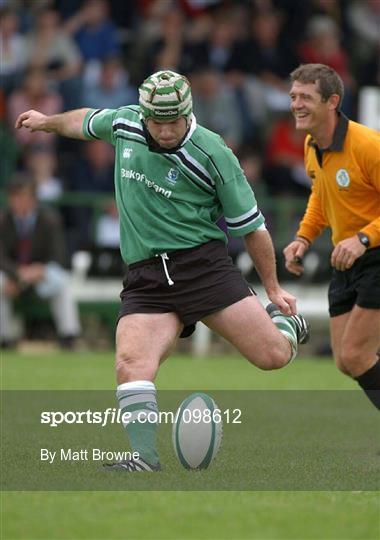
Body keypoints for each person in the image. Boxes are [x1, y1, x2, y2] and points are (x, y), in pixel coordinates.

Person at [15, 70, 310, 472]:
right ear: (144, 114)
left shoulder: (214, 154)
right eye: (158, 121)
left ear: (188, 114)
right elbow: (84, 120)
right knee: (131, 364)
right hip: (146, 276)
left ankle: (286, 325)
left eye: (174, 121)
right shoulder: (125, 123)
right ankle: (144, 457)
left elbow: (253, 228)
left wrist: (273, 290)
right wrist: (47, 122)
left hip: (202, 269)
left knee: (273, 357)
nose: (166, 130)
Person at [284, 63, 380, 410]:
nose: (296, 104)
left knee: (356, 355)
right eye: (294, 96)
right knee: (345, 360)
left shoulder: (368, 145)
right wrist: (303, 238)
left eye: (306, 97)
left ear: (332, 101)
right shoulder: (312, 144)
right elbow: (321, 196)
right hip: (346, 260)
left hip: (374, 256)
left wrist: (363, 239)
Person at [0, 174, 81, 349]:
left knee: (62, 284)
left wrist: (39, 270)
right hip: (13, 276)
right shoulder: (3, 220)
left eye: (24, 196)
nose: (20, 202)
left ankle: (68, 336)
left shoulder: (49, 219)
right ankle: (4, 339)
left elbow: (59, 255)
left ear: (34, 199)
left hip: (41, 275)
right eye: (16, 197)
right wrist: (17, 274)